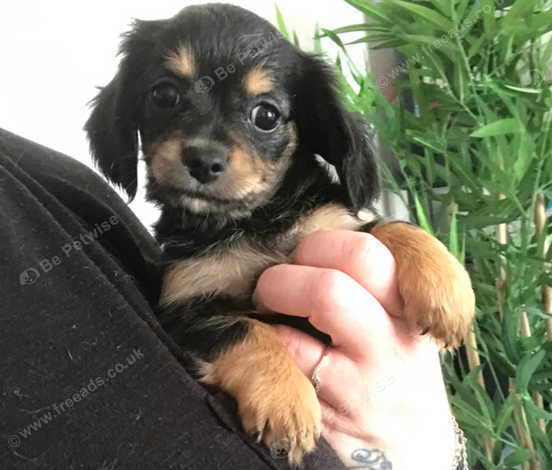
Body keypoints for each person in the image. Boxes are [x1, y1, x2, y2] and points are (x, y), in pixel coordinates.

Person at [0, 128, 459, 469]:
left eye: (264, 115)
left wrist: (441, 451)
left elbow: (366, 237)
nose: (206, 144)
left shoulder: (41, 177)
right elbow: (188, 321)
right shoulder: (187, 257)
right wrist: (259, 360)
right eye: (167, 96)